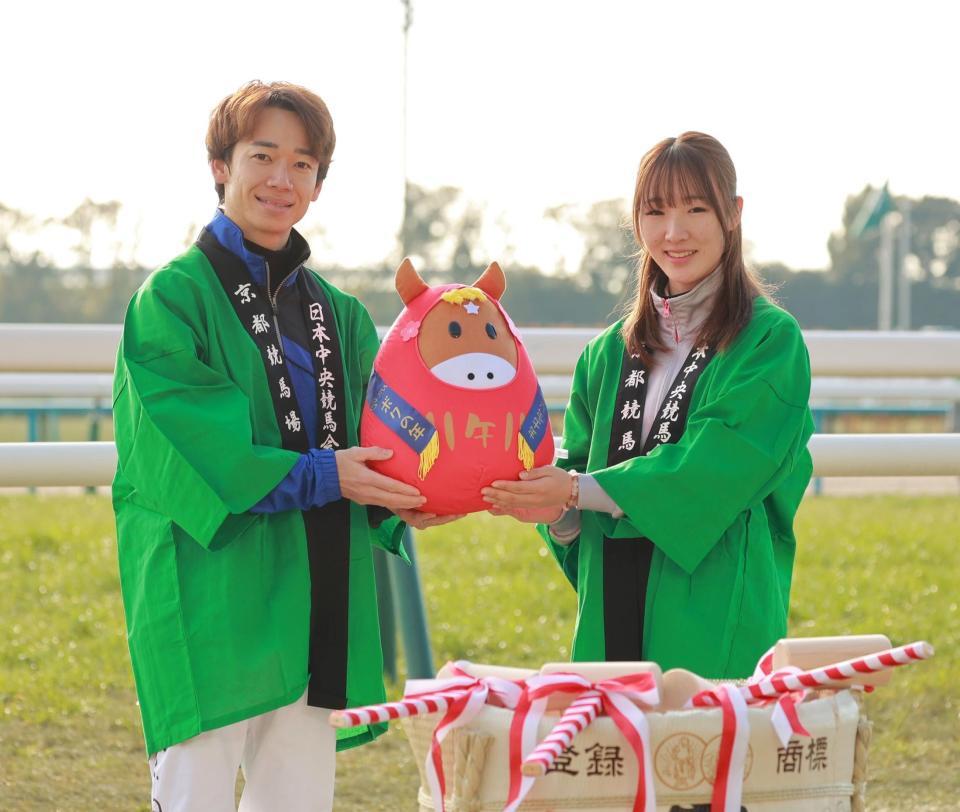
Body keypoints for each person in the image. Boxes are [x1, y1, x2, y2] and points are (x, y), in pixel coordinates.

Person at [112, 80, 457, 812]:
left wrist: (415, 498)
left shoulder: (341, 315)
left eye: (303, 164)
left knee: (297, 798)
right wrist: (333, 476)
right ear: (220, 166)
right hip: (213, 592)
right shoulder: (172, 300)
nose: (282, 178)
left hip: (317, 591)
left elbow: (385, 441)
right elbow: (197, 451)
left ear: (319, 183)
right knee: (196, 792)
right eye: (262, 155)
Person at [482, 132, 814, 679]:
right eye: (655, 211)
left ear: (733, 214)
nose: (673, 232)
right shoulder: (606, 353)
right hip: (609, 628)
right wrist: (556, 513)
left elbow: (714, 469)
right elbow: (579, 495)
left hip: (715, 618)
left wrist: (573, 490)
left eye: (695, 208)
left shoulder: (768, 341)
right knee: (615, 761)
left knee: (707, 759)